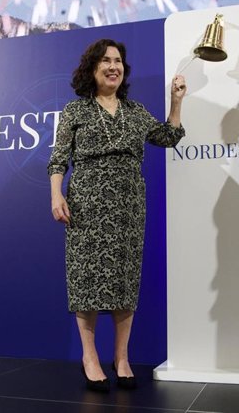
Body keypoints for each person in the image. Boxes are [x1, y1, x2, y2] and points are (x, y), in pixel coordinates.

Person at [48, 39, 187, 392]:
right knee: (87, 280)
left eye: (119, 61)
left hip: (128, 205)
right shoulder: (75, 112)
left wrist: (176, 100)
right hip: (87, 204)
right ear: (92, 69)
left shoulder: (136, 111)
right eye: (106, 61)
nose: (114, 66)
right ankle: (90, 358)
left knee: (125, 281)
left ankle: (122, 358)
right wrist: (55, 194)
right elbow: (59, 158)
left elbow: (168, 136)